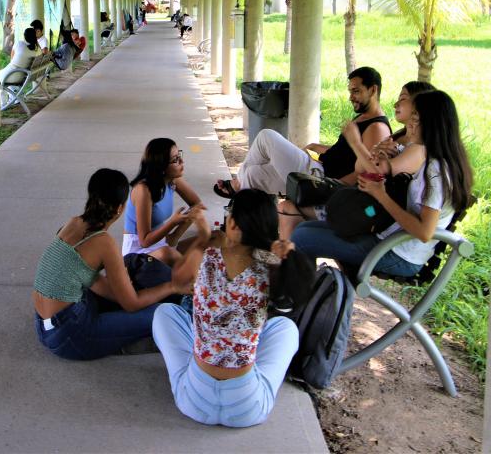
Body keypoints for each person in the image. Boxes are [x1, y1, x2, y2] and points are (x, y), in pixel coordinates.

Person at [152, 188, 315, 427]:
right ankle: (247, 366)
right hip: (247, 407)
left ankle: (196, 368)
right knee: (285, 327)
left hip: (194, 401)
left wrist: (202, 238)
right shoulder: (272, 265)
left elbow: (177, 282)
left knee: (165, 314)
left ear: (235, 224)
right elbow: (300, 291)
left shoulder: (207, 256)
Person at [291, 90, 474, 278]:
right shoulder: (433, 159)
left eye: (415, 117)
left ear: (431, 123)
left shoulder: (436, 172)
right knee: (303, 229)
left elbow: (424, 232)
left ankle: (300, 299)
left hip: (399, 254)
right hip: (388, 238)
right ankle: (308, 295)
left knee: (302, 238)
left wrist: (380, 194)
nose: (410, 123)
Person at [33, 168, 189, 360]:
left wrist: (126, 292)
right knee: (165, 313)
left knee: (125, 291)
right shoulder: (103, 242)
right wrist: (173, 286)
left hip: (45, 325)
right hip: (70, 335)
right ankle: (124, 340)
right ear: (120, 209)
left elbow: (90, 278)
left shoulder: (72, 223)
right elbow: (132, 304)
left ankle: (119, 330)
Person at [277, 80, 436, 238]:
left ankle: (291, 258)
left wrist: (356, 143)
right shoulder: (397, 138)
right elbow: (361, 168)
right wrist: (375, 152)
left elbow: (376, 173)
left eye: (403, 99)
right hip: (361, 204)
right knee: (289, 206)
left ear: (419, 106)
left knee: (289, 210)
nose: (395, 104)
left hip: (370, 214)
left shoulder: (417, 149)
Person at [214, 67, 391, 199]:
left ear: (373, 90)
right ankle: (244, 218)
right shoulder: (362, 118)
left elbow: (368, 171)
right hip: (318, 168)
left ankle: (237, 185)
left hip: (320, 178)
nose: (351, 97)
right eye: (350, 91)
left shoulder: (377, 128)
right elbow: (346, 152)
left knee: (266, 136)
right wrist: (317, 147)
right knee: (253, 175)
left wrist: (336, 188)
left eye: (356, 91)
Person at [123, 138, 205, 266]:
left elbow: (197, 205)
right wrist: (172, 223)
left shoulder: (172, 180)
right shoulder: (143, 190)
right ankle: (198, 284)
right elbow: (144, 241)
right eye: (175, 159)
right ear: (161, 167)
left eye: (180, 155)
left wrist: (175, 236)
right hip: (136, 252)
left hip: (161, 243)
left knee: (214, 239)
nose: (182, 161)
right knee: (170, 255)